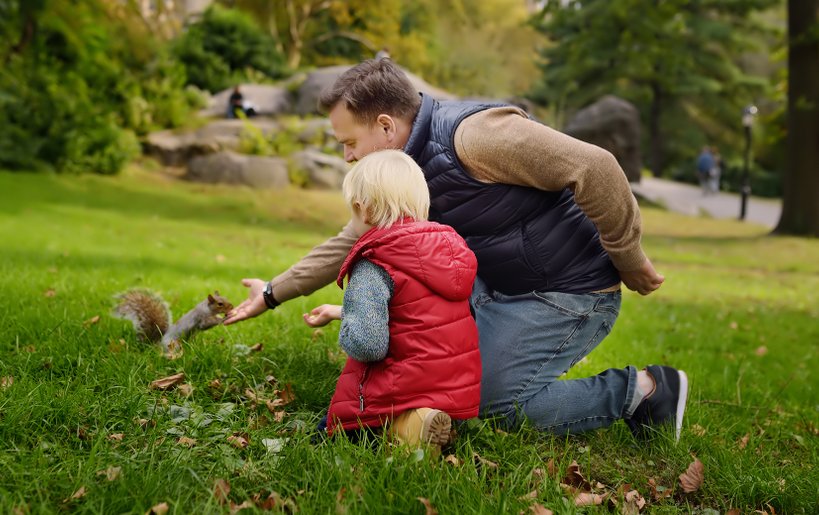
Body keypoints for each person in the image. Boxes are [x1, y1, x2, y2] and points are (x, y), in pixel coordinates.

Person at [227, 58, 686, 441]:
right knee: (436, 379)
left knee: (483, 402)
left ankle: (643, 391)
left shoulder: (474, 137)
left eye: (350, 142)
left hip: (569, 291)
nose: (348, 155)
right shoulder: (399, 174)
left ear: (386, 126)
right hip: (496, 286)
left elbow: (596, 166)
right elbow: (352, 240)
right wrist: (271, 293)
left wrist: (629, 258)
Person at [303, 150, 481, 453]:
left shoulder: (375, 260)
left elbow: (369, 344)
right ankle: (423, 421)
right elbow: (412, 311)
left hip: (399, 388)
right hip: (453, 388)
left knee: (331, 435)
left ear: (364, 211)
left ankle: (407, 430)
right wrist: (340, 311)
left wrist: (349, 328)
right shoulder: (446, 252)